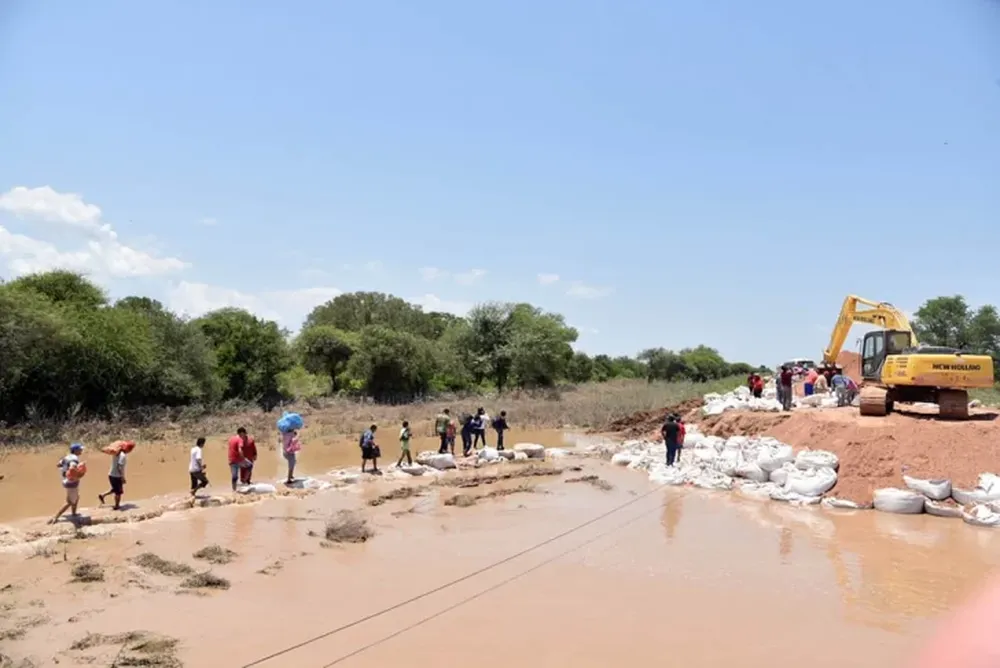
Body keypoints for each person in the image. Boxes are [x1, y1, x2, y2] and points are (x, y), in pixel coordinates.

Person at [51, 443, 84, 524]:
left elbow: (58, 465)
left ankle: (74, 513)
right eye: (80, 449)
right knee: (70, 502)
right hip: (72, 482)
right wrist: (79, 472)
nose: (81, 451)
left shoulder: (67, 457)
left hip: (65, 480)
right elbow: (72, 468)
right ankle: (56, 517)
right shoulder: (74, 459)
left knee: (76, 497)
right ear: (75, 450)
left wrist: (65, 471)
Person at [98, 443, 128, 510]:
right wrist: (122, 477)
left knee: (115, 489)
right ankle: (116, 506)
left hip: (111, 474)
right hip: (117, 476)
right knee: (118, 492)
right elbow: (119, 467)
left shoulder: (116, 453)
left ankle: (102, 495)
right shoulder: (122, 456)